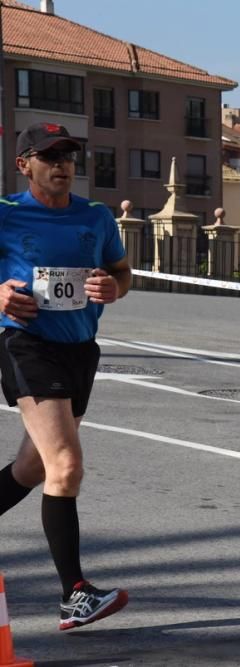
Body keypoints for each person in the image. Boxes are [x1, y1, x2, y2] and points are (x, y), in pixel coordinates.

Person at [0, 123, 132, 630]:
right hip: (26, 344)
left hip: (80, 349)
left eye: (70, 155)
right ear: (24, 164)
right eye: (50, 155)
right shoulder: (7, 215)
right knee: (66, 464)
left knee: (33, 470)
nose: (62, 164)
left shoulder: (96, 217)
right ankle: (74, 594)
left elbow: (121, 272)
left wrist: (112, 287)